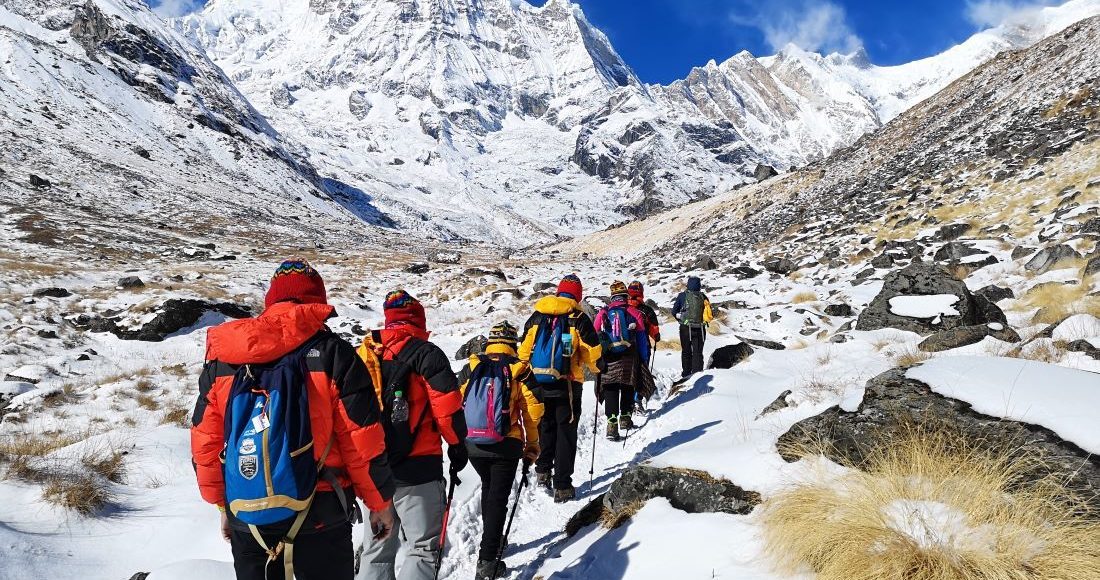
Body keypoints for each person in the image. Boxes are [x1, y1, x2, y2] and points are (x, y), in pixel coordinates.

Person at [191, 258, 396, 580]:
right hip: (321, 511)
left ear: (271, 300)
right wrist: (379, 502)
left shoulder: (224, 361)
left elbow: (206, 442)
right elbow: (361, 440)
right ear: (317, 301)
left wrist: (222, 504)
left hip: (248, 511)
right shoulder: (333, 354)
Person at [357, 290, 467, 580]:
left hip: (373, 471)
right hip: (418, 469)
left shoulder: (365, 354)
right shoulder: (426, 354)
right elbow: (448, 410)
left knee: (376, 548)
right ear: (419, 320)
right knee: (422, 549)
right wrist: (457, 447)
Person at [456, 321, 544, 580]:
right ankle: (487, 560)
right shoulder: (520, 370)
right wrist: (532, 444)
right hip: (506, 444)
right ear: (513, 344)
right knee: (498, 498)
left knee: (489, 489)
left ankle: (491, 540)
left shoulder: (471, 367)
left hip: (473, 444)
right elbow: (534, 410)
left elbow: (455, 399)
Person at [518, 274, 602, 503]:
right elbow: (592, 352)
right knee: (566, 433)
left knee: (546, 426)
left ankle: (543, 471)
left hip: (539, 384)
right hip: (568, 384)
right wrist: (596, 369)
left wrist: (527, 378)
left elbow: (523, 352)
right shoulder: (579, 318)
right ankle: (562, 486)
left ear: (558, 291)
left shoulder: (537, 316)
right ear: (578, 295)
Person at [593, 281, 651, 440]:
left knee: (610, 386)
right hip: (629, 355)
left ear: (612, 296)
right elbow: (641, 338)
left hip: (609, 356)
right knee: (627, 385)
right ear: (625, 295)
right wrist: (643, 359)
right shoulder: (634, 312)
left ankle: (611, 425)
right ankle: (625, 418)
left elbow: (595, 333)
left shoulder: (603, 312)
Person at [671, 276, 713, 380]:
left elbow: (673, 311)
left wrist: (681, 321)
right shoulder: (703, 296)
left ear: (688, 284)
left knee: (686, 351)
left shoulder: (682, 296)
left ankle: (686, 374)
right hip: (700, 329)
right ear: (699, 285)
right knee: (698, 352)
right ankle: (697, 375)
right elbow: (709, 313)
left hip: (685, 328)